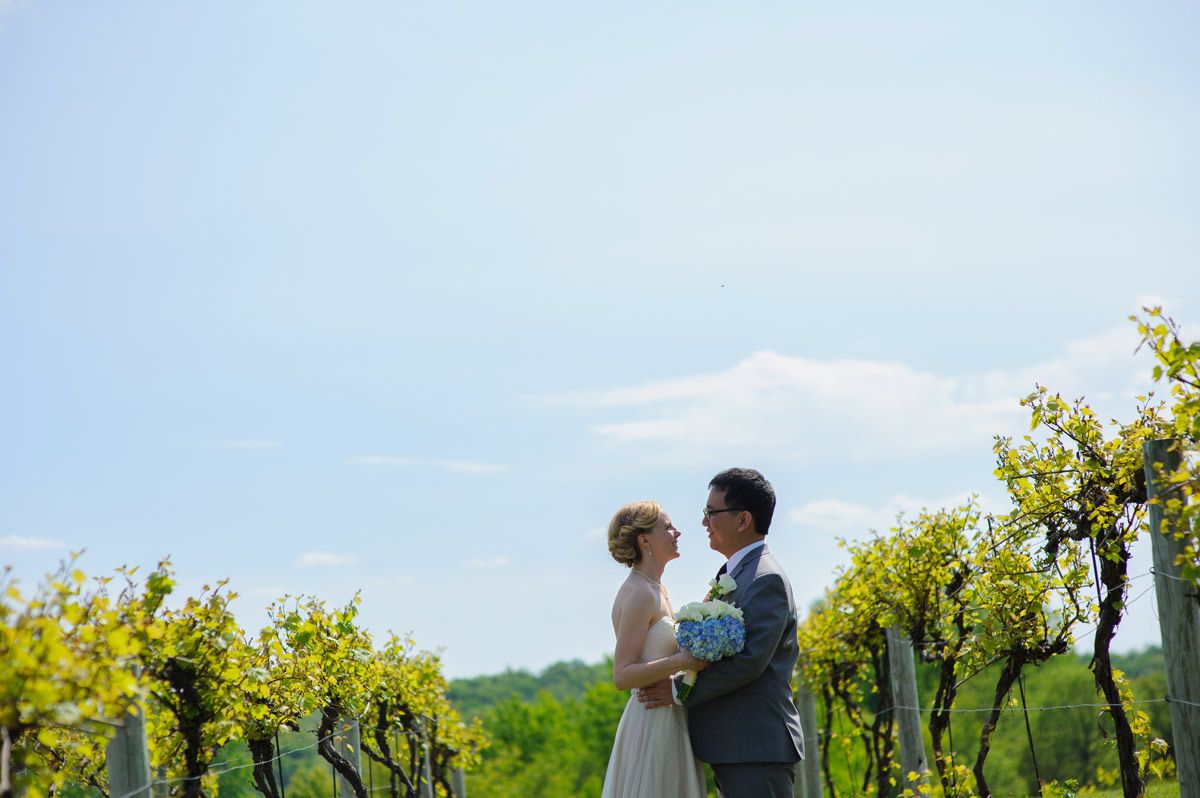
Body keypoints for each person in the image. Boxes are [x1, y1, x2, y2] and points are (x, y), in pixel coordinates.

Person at [637, 468, 804, 798]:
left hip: (754, 747)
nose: (704, 523)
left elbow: (749, 662)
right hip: (735, 746)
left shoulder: (764, 579)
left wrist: (677, 692)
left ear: (743, 520)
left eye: (712, 513)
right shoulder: (735, 572)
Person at [600, 500, 708, 798]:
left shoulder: (657, 589)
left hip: (670, 717)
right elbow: (623, 675)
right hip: (651, 722)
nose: (678, 532)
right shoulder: (638, 593)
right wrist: (683, 660)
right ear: (644, 539)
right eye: (668, 527)